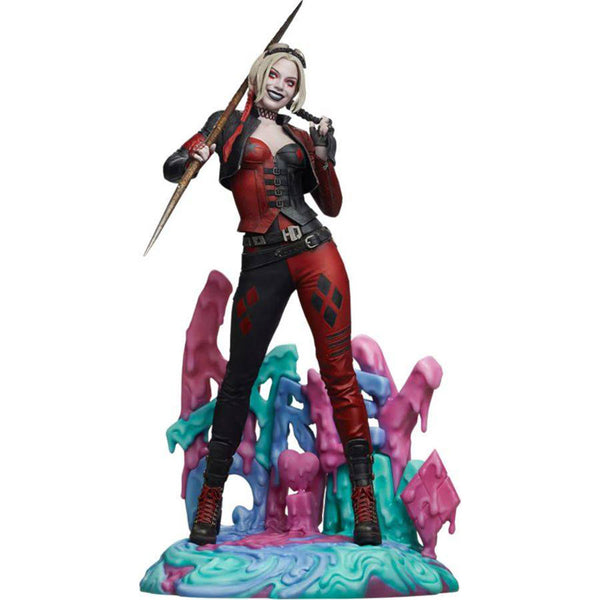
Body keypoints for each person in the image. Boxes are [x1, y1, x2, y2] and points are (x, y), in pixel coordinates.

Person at [163, 43, 381, 546]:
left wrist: (324, 158)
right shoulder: (226, 125)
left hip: (316, 253)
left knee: (339, 373)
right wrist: (193, 156)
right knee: (238, 379)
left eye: (291, 81)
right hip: (261, 261)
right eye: (275, 76)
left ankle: (365, 498)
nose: (281, 86)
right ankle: (211, 496)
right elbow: (172, 168)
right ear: (259, 75)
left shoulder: (301, 137)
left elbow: (332, 204)